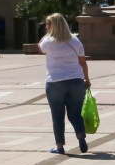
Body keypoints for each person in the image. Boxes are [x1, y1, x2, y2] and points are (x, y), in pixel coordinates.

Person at [38, 13, 91, 154]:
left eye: (48, 24)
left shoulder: (48, 41)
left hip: (55, 82)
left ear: (53, 26)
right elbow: (83, 62)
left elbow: (41, 48)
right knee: (75, 113)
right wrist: (87, 79)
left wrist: (47, 34)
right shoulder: (75, 41)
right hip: (76, 81)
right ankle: (80, 135)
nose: (46, 27)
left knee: (57, 115)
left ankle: (59, 146)